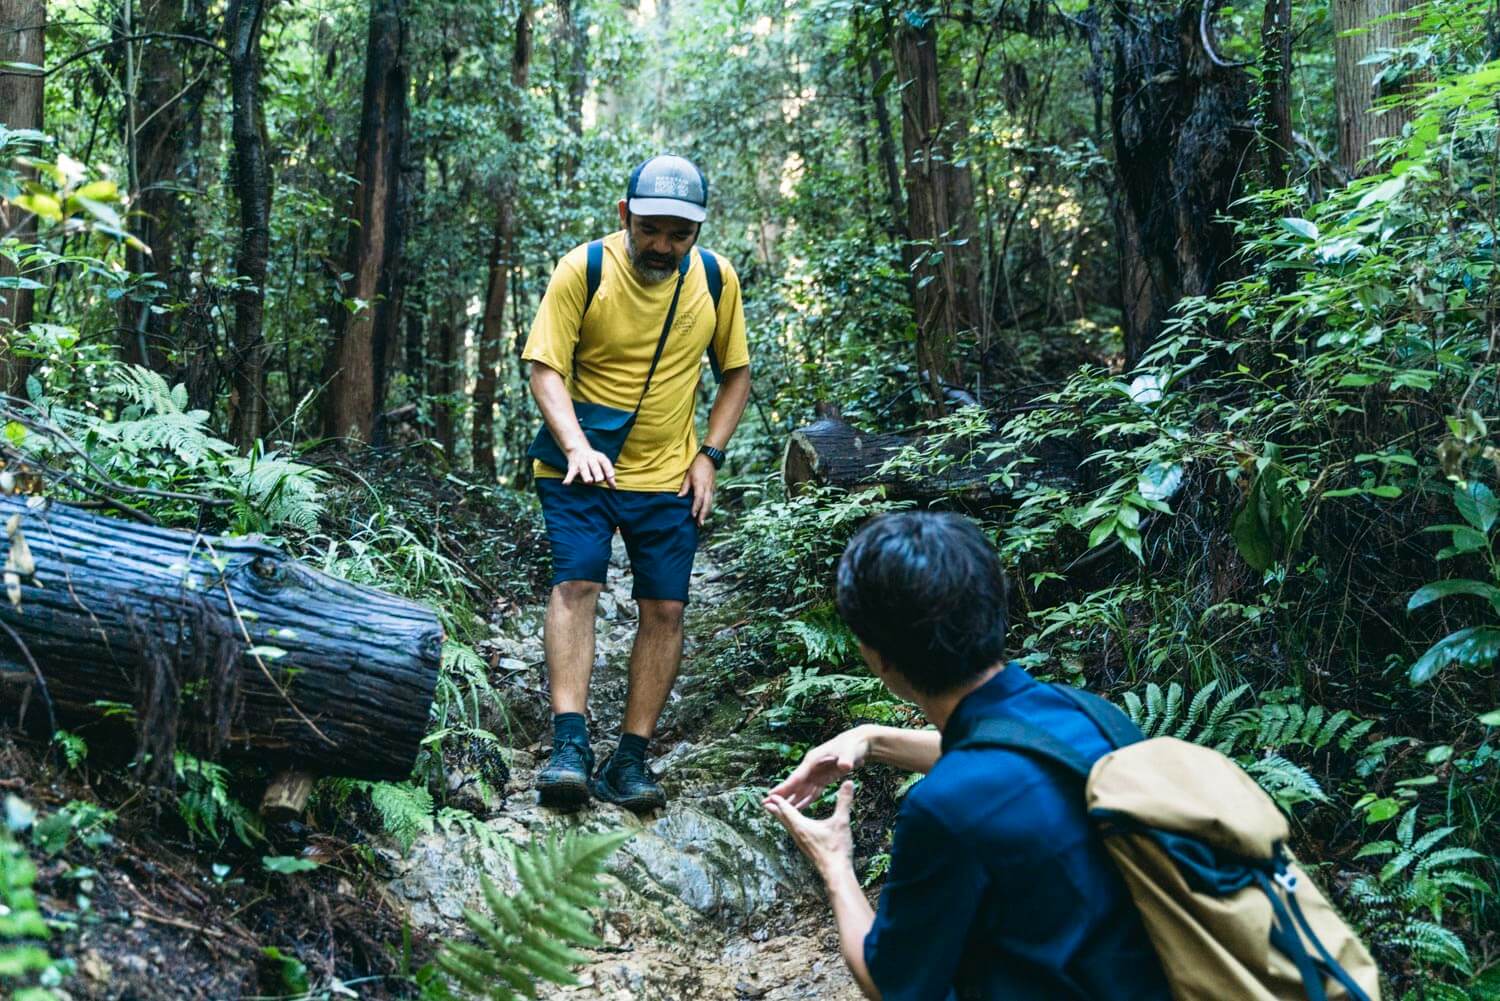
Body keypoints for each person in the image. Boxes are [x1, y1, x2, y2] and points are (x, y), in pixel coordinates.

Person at [762, 512, 1170, 1000]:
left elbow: (889, 983)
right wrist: (871, 740)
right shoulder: (1093, 716)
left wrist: (834, 864)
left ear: (878, 656)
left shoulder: (943, 811)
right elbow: (1014, 766)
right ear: (993, 604)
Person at [523, 154, 751, 813]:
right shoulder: (583, 269)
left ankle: (631, 757)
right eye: (651, 229)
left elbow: (735, 374)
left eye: (680, 235)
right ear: (624, 215)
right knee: (577, 584)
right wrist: (575, 445)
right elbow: (545, 368)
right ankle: (570, 743)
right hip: (578, 465)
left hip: (668, 473)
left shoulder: (713, 279)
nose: (664, 246)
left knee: (667, 607)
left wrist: (709, 453)